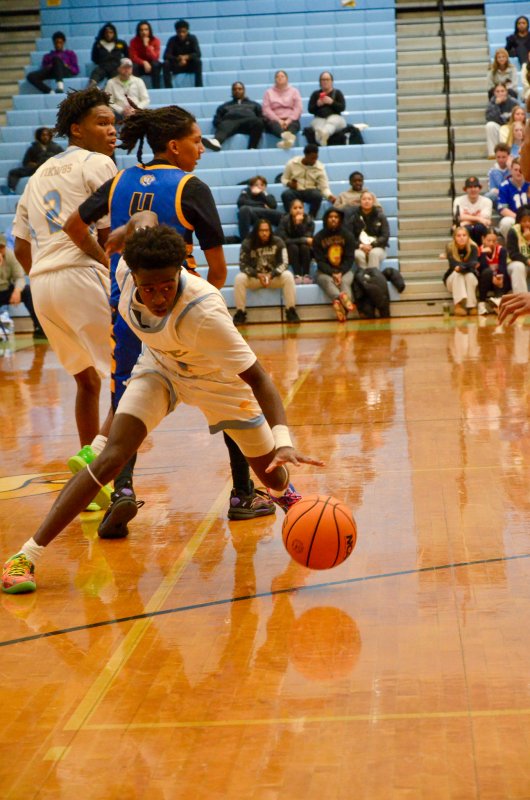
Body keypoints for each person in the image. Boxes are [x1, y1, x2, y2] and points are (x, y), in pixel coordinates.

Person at [0, 224, 324, 594]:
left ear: (179, 272)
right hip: (160, 369)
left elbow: (260, 379)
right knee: (110, 458)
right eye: (149, 288)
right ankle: (25, 556)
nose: (158, 297)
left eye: (167, 287)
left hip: (217, 383)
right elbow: (145, 219)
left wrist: (283, 440)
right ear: (133, 276)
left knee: (274, 478)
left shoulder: (204, 312)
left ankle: (304, 520)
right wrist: (129, 227)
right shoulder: (125, 271)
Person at [63, 105, 275, 531]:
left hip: (130, 305)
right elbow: (218, 269)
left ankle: (122, 492)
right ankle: (242, 493)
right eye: (197, 141)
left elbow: (72, 225)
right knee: (228, 390)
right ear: (175, 146)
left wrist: (107, 260)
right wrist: (203, 310)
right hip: (179, 304)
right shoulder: (189, 187)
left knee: (126, 399)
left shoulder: (120, 180)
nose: (201, 149)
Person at [12, 87, 117, 464]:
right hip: (82, 274)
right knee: (134, 375)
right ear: (76, 129)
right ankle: (99, 463)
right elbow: (108, 236)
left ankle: (90, 475)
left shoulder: (37, 174)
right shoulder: (98, 163)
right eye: (102, 123)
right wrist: (109, 271)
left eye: (114, 124)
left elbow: (20, 246)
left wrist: (42, 275)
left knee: (86, 380)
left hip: (42, 285)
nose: (112, 131)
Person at [233, 219, 300, 326]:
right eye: (261, 230)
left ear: (270, 231)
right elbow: (243, 266)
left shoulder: (278, 242)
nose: (264, 233)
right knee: (239, 278)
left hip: (273, 278)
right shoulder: (247, 243)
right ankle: (240, 312)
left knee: (288, 276)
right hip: (255, 278)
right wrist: (257, 275)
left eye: (267, 230)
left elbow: (285, 263)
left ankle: (291, 310)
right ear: (256, 231)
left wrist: (271, 274)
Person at [312, 207, 356, 322]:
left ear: (340, 219)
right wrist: (333, 273)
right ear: (326, 219)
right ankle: (340, 298)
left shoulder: (348, 236)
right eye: (330, 217)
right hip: (324, 272)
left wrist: (340, 272)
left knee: (345, 282)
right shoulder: (318, 237)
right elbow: (320, 261)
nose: (333, 219)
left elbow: (350, 258)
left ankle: (340, 306)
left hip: (345, 270)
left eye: (336, 217)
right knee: (327, 281)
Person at [0, 234, 44, 338]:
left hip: (5, 289)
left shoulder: (10, 255)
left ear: (5, 247)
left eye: (1, 247)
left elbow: (19, 277)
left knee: (27, 291)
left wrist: (17, 290)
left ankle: (39, 327)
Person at [280, 143, 336, 218]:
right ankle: (290, 217)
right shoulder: (292, 163)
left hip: (310, 191)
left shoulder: (320, 168)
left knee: (318, 196)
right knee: (286, 194)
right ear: (306, 155)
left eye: (316, 158)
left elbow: (324, 187)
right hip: (296, 190)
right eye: (312, 158)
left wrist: (329, 196)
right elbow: (284, 178)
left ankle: (311, 217)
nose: (314, 160)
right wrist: (289, 184)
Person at [4, 128, 63, 195]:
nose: (45, 137)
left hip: (52, 170)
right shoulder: (33, 148)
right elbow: (25, 162)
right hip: (35, 169)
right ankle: (11, 190)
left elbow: (64, 160)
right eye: (43, 135)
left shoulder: (56, 148)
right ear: (39, 136)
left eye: (47, 135)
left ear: (50, 136)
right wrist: (31, 164)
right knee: (13, 172)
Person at [209, 82, 264, 151]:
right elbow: (217, 119)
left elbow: (261, 117)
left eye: (239, 89)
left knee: (258, 122)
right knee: (224, 123)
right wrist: (222, 124)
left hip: (248, 123)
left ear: (244, 90)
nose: (237, 91)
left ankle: (252, 148)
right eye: (234, 89)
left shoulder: (254, 104)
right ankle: (217, 141)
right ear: (232, 91)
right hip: (230, 123)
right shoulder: (224, 106)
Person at [276, 198, 315, 284]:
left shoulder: (309, 221)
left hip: (304, 251)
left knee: (304, 247)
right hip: (290, 250)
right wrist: (303, 239)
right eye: (295, 208)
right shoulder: (284, 220)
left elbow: (308, 239)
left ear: (303, 209)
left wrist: (299, 225)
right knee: (293, 247)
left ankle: (306, 275)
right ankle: (297, 275)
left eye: (300, 208)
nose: (298, 210)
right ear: (290, 210)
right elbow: (284, 240)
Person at [262, 70, 303, 149]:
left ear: (287, 79)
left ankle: (287, 139)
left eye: (282, 76)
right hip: (274, 119)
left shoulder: (294, 91)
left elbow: (298, 108)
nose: (280, 78)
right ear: (275, 79)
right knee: (273, 125)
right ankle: (287, 138)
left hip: (290, 119)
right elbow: (266, 109)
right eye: (277, 77)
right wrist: (279, 120)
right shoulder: (268, 92)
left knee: (294, 125)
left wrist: (288, 121)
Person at [443, 227, 479, 316]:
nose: (461, 238)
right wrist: (467, 266)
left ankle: (472, 306)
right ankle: (458, 305)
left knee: (469, 275)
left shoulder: (473, 247)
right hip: (452, 280)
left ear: (468, 237)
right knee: (458, 274)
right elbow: (453, 265)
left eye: (464, 235)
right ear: (454, 238)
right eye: (458, 236)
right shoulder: (450, 247)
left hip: (468, 277)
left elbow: (473, 263)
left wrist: (462, 267)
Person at [350, 190, 389, 270]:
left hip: (378, 247)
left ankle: (373, 276)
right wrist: (361, 246)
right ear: (360, 201)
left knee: (373, 254)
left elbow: (385, 235)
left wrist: (372, 245)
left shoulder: (380, 216)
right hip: (359, 247)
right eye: (364, 199)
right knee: (358, 255)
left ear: (373, 201)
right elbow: (350, 237)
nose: (366, 201)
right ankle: (364, 276)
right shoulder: (353, 217)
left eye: (369, 199)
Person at [237, 175, 282, 240]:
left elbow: (273, 206)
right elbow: (240, 203)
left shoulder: (268, 195)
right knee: (244, 209)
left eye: (262, 185)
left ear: (265, 187)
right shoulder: (246, 193)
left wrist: (263, 194)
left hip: (265, 215)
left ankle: (276, 239)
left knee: (284, 216)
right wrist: (262, 204)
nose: (259, 187)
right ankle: (245, 240)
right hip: (252, 215)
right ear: (251, 186)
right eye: (256, 185)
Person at [307, 71, 346, 147]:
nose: (325, 82)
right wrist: (317, 105)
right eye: (323, 80)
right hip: (320, 118)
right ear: (320, 82)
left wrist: (332, 102)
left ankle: (324, 134)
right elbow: (310, 110)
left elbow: (342, 108)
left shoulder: (338, 93)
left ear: (331, 81)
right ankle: (322, 138)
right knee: (318, 125)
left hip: (336, 119)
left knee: (332, 121)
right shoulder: (315, 94)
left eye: (327, 79)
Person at [477, 228, 510, 315]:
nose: (491, 243)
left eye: (494, 241)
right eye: (489, 241)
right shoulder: (478, 250)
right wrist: (483, 254)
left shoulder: (501, 250)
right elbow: (482, 268)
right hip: (485, 281)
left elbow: (502, 267)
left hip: (498, 281)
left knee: (503, 275)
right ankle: (482, 303)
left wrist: (499, 278)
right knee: (487, 272)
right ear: (483, 239)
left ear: (497, 241)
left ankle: (498, 301)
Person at [453, 176, 493, 246]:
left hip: (480, 230)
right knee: (467, 229)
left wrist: (465, 222)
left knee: (479, 227)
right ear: (465, 189)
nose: (473, 189)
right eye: (470, 187)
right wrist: (479, 219)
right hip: (465, 229)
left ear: (479, 188)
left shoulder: (487, 201)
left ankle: (480, 250)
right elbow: (459, 217)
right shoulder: (458, 200)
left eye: (475, 187)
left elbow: (485, 221)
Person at [163, 19, 202, 89]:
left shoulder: (192, 38)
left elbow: (198, 54)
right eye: (179, 32)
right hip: (177, 65)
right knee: (166, 64)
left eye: (183, 32)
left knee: (198, 61)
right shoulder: (172, 40)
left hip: (189, 65)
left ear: (187, 31)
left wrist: (186, 57)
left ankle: (199, 86)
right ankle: (168, 88)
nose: (181, 34)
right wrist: (178, 59)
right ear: (176, 31)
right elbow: (166, 55)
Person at [497, 158, 530, 240]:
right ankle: (511, 246)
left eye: (521, 170)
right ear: (511, 170)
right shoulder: (504, 186)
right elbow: (503, 209)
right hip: (513, 217)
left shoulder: (529, 184)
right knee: (506, 223)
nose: (518, 172)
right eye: (516, 170)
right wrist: (520, 218)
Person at [485, 84, 519, 157]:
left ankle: (509, 153)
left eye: (502, 91)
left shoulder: (514, 102)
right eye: (497, 91)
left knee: (506, 129)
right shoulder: (491, 103)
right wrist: (496, 105)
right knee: (490, 125)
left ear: (506, 92)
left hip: (511, 127)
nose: (500, 93)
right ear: (494, 93)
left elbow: (517, 117)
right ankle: (493, 154)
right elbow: (490, 118)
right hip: (499, 126)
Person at [129, 20, 162, 90]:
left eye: (146, 30)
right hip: (140, 65)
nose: (144, 32)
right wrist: (144, 62)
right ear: (138, 31)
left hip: (152, 66)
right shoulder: (133, 41)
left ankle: (157, 89)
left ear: (149, 31)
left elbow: (155, 57)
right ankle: (135, 90)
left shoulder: (156, 40)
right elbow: (133, 57)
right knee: (133, 66)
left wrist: (147, 46)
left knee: (156, 64)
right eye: (141, 30)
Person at [505, 204, 530, 294]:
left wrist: (529, 240)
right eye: (524, 221)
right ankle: (521, 299)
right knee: (519, 266)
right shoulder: (513, 231)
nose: (527, 224)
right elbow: (513, 254)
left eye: (529, 221)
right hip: (514, 263)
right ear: (519, 222)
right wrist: (527, 260)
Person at [485, 143, 512, 208]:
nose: (501, 160)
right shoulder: (492, 171)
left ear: (509, 156)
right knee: (487, 196)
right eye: (498, 157)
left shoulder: (513, 168)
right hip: (499, 196)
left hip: (512, 194)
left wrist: (510, 168)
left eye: (503, 157)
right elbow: (492, 189)